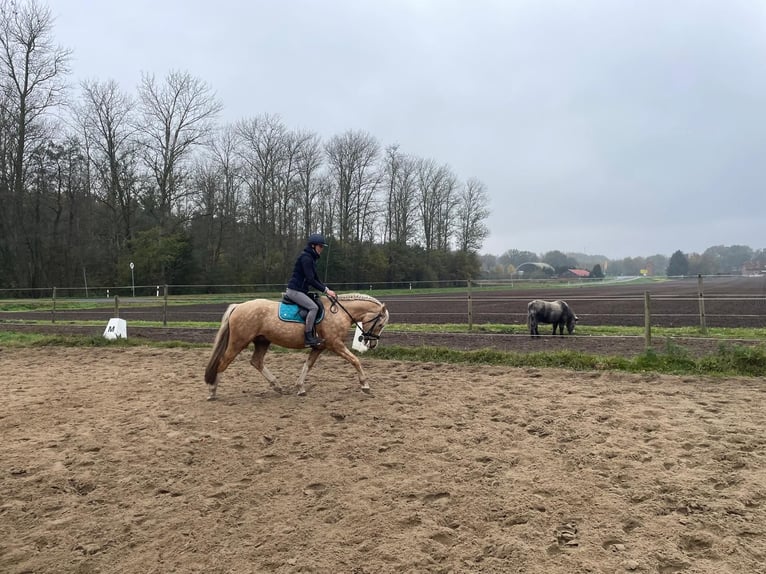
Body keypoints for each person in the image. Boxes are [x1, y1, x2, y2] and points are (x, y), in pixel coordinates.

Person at [286, 233, 337, 347]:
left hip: (301, 290)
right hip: (295, 290)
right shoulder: (306, 258)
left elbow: (316, 278)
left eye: (322, 246)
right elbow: (310, 279)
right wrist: (326, 291)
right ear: (313, 246)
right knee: (313, 307)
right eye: (320, 246)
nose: (322, 249)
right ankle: (308, 337)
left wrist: (326, 289)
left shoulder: (311, 258)